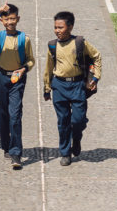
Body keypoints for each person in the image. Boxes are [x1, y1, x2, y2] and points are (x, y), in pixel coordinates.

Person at [43, 11, 102, 166]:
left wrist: (95, 77)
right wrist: (47, 87)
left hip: (77, 86)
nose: (57, 31)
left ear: (70, 27)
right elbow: (49, 67)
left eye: (61, 27)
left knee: (78, 120)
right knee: (63, 121)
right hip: (59, 86)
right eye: (55, 27)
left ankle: (76, 138)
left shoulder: (80, 42)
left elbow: (96, 56)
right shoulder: (52, 45)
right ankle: (65, 152)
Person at [0, 2, 35, 170]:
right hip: (0, 77)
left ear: (18, 19)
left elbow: (31, 60)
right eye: (6, 19)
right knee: (2, 114)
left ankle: (16, 153)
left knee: (15, 115)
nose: (10, 22)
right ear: (2, 21)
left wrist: (24, 69)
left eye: (13, 19)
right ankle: (6, 146)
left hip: (17, 80)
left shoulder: (24, 39)